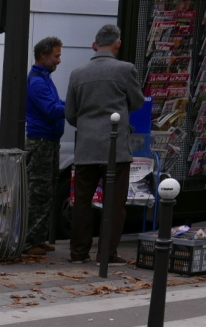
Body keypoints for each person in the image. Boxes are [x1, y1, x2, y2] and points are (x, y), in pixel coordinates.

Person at [65, 23, 145, 264]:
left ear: (94, 45)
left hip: (86, 147)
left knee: (81, 202)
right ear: (118, 45)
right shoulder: (125, 70)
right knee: (114, 203)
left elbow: (70, 113)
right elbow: (138, 102)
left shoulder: (77, 73)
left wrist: (88, 125)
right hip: (115, 148)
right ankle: (106, 254)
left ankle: (78, 252)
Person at [23, 37, 66, 256]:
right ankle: (30, 242)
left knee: (47, 190)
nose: (59, 60)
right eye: (56, 56)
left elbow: (56, 105)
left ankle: (38, 238)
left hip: (49, 141)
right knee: (39, 191)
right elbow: (52, 109)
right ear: (43, 55)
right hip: (41, 142)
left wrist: (64, 104)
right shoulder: (38, 81)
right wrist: (74, 105)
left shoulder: (44, 77)